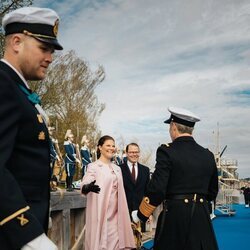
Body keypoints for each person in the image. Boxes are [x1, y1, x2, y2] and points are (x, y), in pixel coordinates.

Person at [0, 6, 63, 250]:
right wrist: (29, 235)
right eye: (44, 48)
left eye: (52, 51)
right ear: (16, 42)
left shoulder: (17, 89)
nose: (50, 57)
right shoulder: (4, 85)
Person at [132, 107, 219, 250]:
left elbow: (157, 189)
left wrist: (141, 214)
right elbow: (212, 192)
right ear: (191, 129)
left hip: (176, 216)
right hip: (202, 216)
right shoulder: (207, 155)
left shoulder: (167, 151)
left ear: (173, 127)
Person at [80, 135, 135, 250]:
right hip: (102, 216)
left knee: (119, 245)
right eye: (108, 145)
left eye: (113, 146)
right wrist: (87, 187)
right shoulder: (93, 166)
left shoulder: (117, 168)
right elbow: (86, 181)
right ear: (100, 147)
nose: (111, 148)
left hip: (117, 216)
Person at [119, 143, 150, 232]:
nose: (134, 154)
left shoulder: (145, 170)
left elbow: (147, 193)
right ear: (126, 153)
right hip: (123, 213)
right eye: (131, 152)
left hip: (140, 214)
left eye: (136, 152)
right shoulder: (118, 169)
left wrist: (148, 213)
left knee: (139, 242)